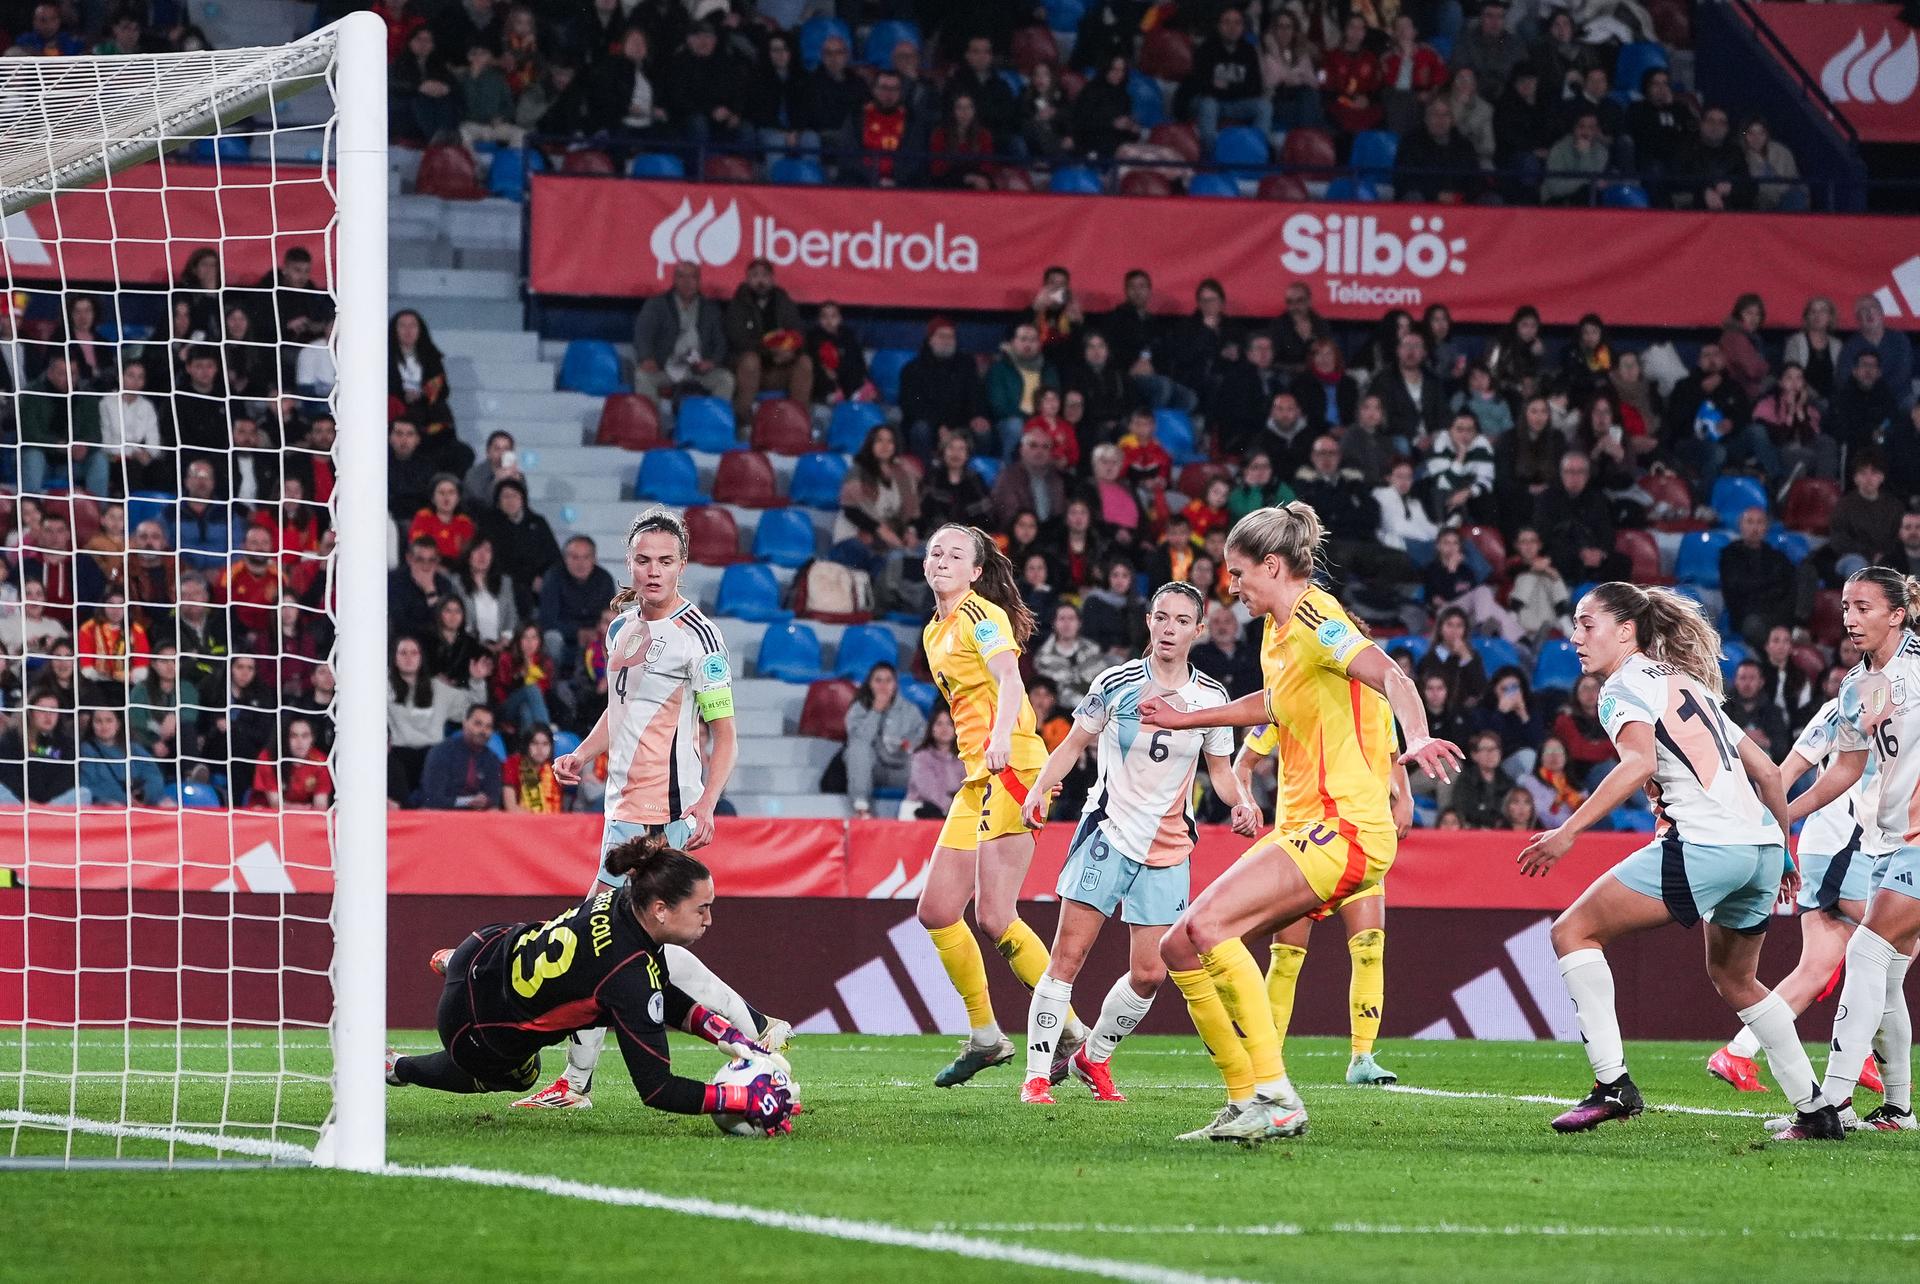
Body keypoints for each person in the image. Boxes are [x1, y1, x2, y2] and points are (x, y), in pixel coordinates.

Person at [1139, 503, 1462, 1141]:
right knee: (1179, 944)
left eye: (1238, 574)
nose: (1231, 589)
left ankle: (1277, 1095)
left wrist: (1417, 738)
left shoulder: (1316, 616)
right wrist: (1187, 720)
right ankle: (1248, 1097)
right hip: (1304, 828)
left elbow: (1391, 674)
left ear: (1274, 565)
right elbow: (1273, 704)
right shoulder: (1277, 631)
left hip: (1344, 829)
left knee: (1207, 927)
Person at [1515, 583, 1841, 1140]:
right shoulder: (1685, 681)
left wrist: (1568, 831)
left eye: (1586, 624)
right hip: (1759, 849)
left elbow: (1639, 762)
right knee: (1736, 978)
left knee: (1573, 932)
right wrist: (1781, 848)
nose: (1574, 638)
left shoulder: (1620, 688)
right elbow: (1766, 770)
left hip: (1704, 844)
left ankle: (1611, 1084)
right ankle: (1815, 1112)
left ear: (1626, 630)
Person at [520, 508, 777, 1107]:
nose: (653, 570)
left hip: (667, 811)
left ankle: (576, 1082)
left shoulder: (701, 639)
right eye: (643, 560)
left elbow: (725, 735)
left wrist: (708, 806)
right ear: (628, 562)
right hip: (621, 808)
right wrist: (582, 755)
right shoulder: (621, 630)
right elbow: (621, 709)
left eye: (665, 560)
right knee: (627, 944)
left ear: (683, 565)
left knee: (603, 938)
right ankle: (757, 1028)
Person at [1017, 582, 1257, 1103]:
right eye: (1161, 618)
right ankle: (1035, 1077)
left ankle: (1092, 1058)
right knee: (1067, 957)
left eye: (1180, 621)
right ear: (1149, 622)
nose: (1169, 629)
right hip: (1107, 833)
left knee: (1151, 973)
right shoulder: (1116, 682)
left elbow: (1219, 771)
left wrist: (1241, 800)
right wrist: (1039, 789)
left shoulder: (1211, 698)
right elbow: (1073, 743)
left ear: (1197, 630)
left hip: (1169, 847)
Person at [387, 834, 797, 1137]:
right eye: (702, 909)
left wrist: (727, 1035)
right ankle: (397, 1067)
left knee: (560, 972)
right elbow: (658, 1090)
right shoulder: (628, 974)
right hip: (470, 1026)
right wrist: (740, 1100)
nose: (708, 919)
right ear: (660, 910)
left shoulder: (624, 899)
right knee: (521, 1074)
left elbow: (659, 990)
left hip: (484, 947)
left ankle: (454, 961)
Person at [912, 523, 1075, 1089]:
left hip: (1014, 765)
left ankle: (1073, 1032)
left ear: (976, 571)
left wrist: (1003, 736)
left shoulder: (982, 616)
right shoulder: (935, 630)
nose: (942, 560)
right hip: (977, 776)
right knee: (935, 911)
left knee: (995, 915)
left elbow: (1009, 677)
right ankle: (986, 1036)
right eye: (936, 551)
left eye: (956, 554)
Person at [1769, 567, 1920, 1134]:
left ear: (1897, 614)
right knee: (1885, 977)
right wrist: (1783, 815)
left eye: (1863, 607)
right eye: (1846, 606)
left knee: (1864, 954)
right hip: (1883, 842)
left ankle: (1827, 1105)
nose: (1850, 618)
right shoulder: (1859, 684)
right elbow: (1847, 769)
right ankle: (1899, 1109)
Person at [1708, 694, 1890, 1095]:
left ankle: (1738, 1052)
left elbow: (1787, 769)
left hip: (1832, 845)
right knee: (1897, 940)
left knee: (1817, 970)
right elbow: (1783, 773)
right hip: (1846, 848)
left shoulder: (1841, 702)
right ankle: (1858, 1045)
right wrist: (1773, 831)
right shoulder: (1868, 701)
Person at [1237, 709, 1413, 1086]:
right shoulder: (1290, 698)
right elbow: (1244, 763)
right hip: (1302, 844)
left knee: (1369, 947)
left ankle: (1363, 1058)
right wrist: (1246, 801)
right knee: (1286, 957)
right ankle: (1266, 1060)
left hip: (1359, 836)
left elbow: (1391, 758)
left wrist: (1405, 798)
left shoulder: (1376, 700)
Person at [633, 261, 734, 408]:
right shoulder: (656, 304)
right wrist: (646, 357)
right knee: (642, 376)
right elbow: (642, 334)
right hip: (665, 367)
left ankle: (711, 426)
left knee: (726, 379)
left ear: (699, 281)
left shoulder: (711, 309)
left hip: (698, 370)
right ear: (674, 280)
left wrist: (712, 362)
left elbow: (721, 342)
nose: (687, 282)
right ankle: (652, 427)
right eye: (681, 277)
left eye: (692, 277)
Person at [724, 258, 812, 427]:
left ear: (773, 279)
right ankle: (743, 424)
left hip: (779, 367)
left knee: (804, 362)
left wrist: (790, 352)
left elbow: (798, 334)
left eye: (765, 275)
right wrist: (770, 351)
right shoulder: (738, 304)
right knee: (750, 361)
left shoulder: (783, 302)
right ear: (747, 279)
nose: (760, 281)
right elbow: (738, 340)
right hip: (748, 370)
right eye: (755, 276)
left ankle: (797, 424)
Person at [844, 661, 925, 819]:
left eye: (888, 680)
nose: (883, 685)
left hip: (902, 769)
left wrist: (910, 744)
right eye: (878, 680)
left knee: (924, 758)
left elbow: (923, 736)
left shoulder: (910, 710)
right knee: (857, 748)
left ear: (895, 684)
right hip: (871, 771)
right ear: (870, 684)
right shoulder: (859, 709)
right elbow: (857, 740)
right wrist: (875, 711)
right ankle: (862, 808)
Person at [1188, 7, 1270, 151]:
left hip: (1236, 103)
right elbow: (1200, 83)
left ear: (1243, 27)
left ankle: (1256, 151)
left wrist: (1223, 86)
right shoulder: (1206, 48)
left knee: (1264, 106)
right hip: (1211, 102)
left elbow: (1255, 87)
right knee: (1208, 104)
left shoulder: (1249, 51)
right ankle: (1212, 153)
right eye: (1227, 23)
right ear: (1219, 26)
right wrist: (1235, 87)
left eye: (1237, 23)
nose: (1232, 27)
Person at [1720, 507, 1796, 649]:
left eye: (1760, 522)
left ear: (1766, 527)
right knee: (1754, 626)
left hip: (1776, 613)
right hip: (1748, 615)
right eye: (1750, 522)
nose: (1755, 527)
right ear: (1741, 526)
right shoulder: (1730, 555)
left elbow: (1789, 587)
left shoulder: (1776, 556)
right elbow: (1737, 589)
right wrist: (1770, 586)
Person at [1395, 96, 1482, 204]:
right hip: (1425, 202)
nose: (1440, 119)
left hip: (1461, 203)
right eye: (1435, 114)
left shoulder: (1464, 145)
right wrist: (1435, 195)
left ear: (1452, 120)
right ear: (1426, 118)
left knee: (1491, 199)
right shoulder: (1411, 142)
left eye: (1446, 114)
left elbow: (1475, 179)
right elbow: (1404, 179)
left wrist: (1461, 196)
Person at [420, 703, 504, 811]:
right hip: (443, 815)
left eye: (488, 727)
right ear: (465, 723)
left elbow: (494, 798)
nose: (483, 731)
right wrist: (468, 801)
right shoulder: (441, 752)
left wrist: (486, 801)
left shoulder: (492, 759)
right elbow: (432, 799)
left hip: (477, 819)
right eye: (478, 724)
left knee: (494, 811)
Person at [250, 716, 331, 811]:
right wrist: (306, 808)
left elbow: (321, 805)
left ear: (312, 739)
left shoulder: (321, 761)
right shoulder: (268, 759)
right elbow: (276, 804)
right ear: (284, 739)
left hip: (305, 818)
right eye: (293, 736)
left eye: (305, 736)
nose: (299, 742)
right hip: (266, 815)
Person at [906, 707, 965, 819]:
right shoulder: (921, 757)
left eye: (949, 724)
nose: (944, 729)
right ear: (931, 728)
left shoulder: (963, 758)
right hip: (921, 812)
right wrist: (953, 808)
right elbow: (928, 790)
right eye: (939, 724)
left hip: (954, 813)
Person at [500, 723, 563, 813]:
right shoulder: (513, 764)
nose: (540, 749)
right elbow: (511, 807)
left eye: (545, 744)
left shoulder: (555, 769)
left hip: (552, 823)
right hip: (519, 823)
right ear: (527, 745)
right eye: (535, 743)